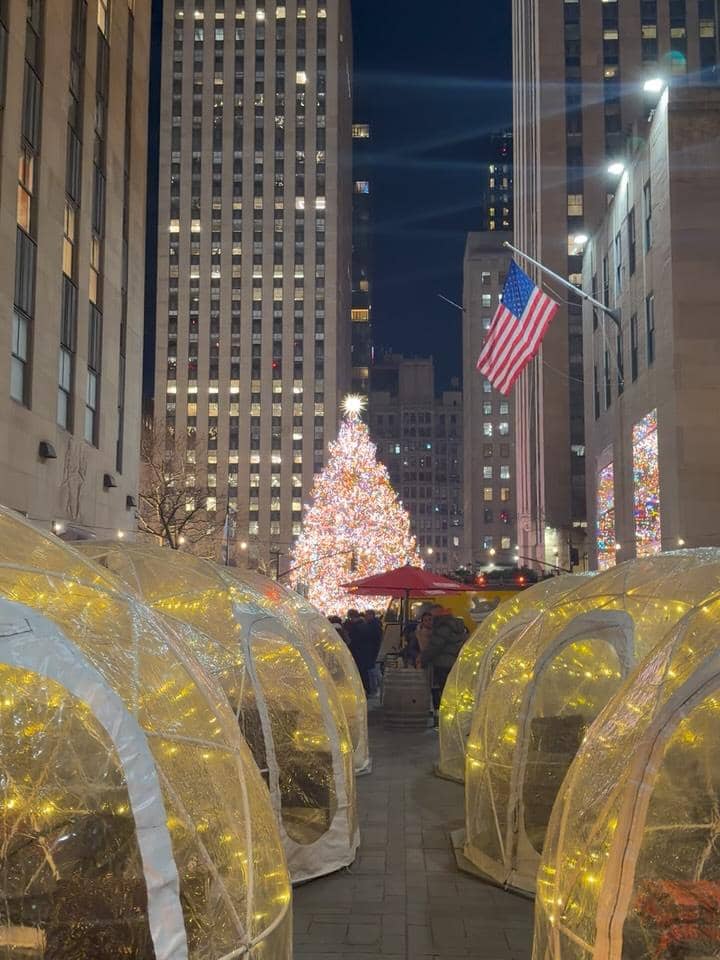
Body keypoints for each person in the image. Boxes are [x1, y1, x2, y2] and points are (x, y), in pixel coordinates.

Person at [420, 605, 467, 725]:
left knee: (442, 691)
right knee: (451, 691)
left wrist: (423, 659)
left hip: (443, 663)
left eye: (433, 615)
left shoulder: (443, 627)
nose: (432, 618)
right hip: (454, 662)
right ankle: (453, 717)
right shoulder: (455, 625)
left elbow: (435, 646)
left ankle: (445, 720)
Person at [364, 610, 384, 695]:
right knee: (375, 670)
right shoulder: (376, 624)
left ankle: (377, 688)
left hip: (374, 650)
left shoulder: (373, 626)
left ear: (371, 615)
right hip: (374, 649)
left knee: (374, 670)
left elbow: (375, 638)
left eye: (367, 615)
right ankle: (379, 688)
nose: (366, 617)